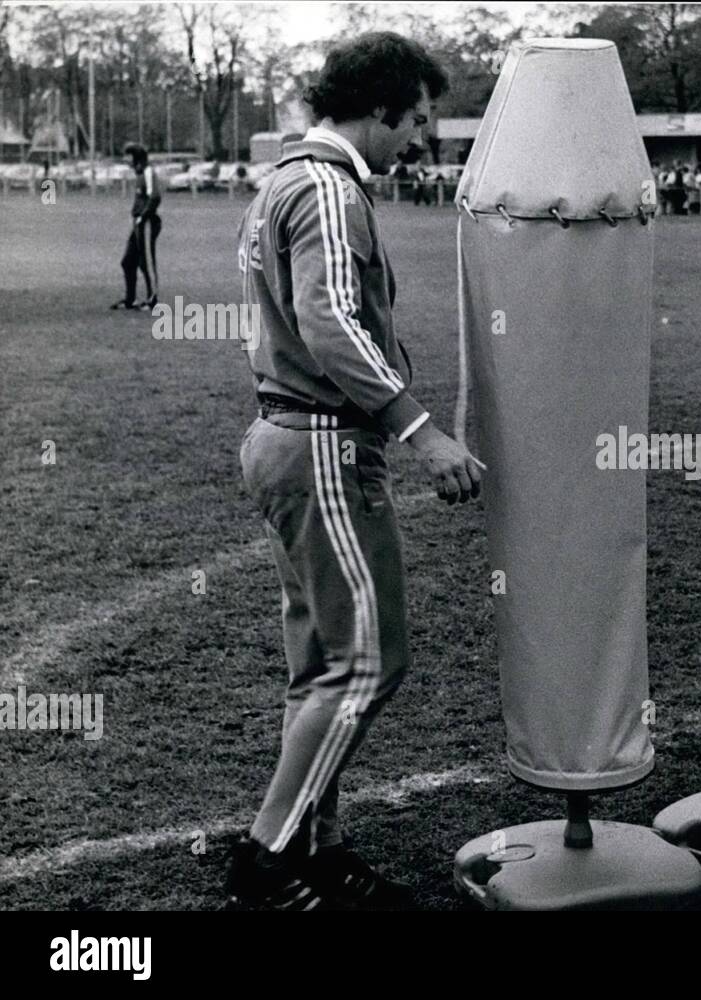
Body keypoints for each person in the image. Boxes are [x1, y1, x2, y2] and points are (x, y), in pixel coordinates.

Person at [226, 31, 482, 911]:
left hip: (288, 437)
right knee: (369, 664)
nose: (417, 139)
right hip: (324, 445)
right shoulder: (329, 190)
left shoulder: (282, 184)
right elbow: (328, 320)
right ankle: (267, 858)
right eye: (414, 120)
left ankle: (317, 845)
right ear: (378, 111)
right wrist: (420, 431)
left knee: (324, 668)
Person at [109, 143, 161, 310]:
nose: (126, 160)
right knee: (127, 262)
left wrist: (143, 216)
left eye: (128, 156)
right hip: (138, 223)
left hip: (145, 223)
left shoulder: (148, 172)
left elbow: (155, 197)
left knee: (146, 261)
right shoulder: (139, 173)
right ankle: (130, 299)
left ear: (136, 157)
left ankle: (152, 300)